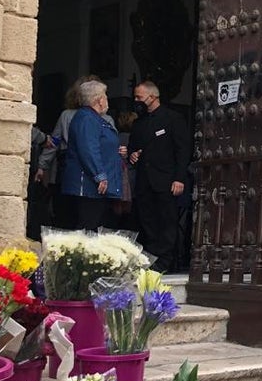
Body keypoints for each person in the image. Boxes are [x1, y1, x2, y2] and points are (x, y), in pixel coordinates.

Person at [127, 81, 190, 272]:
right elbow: (133, 149)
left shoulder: (173, 119)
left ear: (152, 97)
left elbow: (183, 150)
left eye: (139, 97)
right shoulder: (138, 124)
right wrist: (133, 155)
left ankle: (166, 261)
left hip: (167, 181)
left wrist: (179, 178)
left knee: (167, 222)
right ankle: (151, 258)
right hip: (144, 182)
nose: (136, 101)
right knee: (147, 221)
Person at [41, 74, 112, 229]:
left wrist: (42, 166)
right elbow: (88, 148)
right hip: (90, 172)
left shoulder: (69, 115)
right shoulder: (95, 119)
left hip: (68, 169)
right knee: (86, 217)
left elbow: (54, 142)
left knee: (71, 214)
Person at [62, 80, 123, 230]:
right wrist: (99, 175)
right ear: (99, 100)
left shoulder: (94, 118)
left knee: (93, 226)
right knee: (87, 227)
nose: (107, 99)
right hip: (89, 187)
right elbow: (88, 148)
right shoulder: (87, 118)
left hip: (95, 188)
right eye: (105, 96)